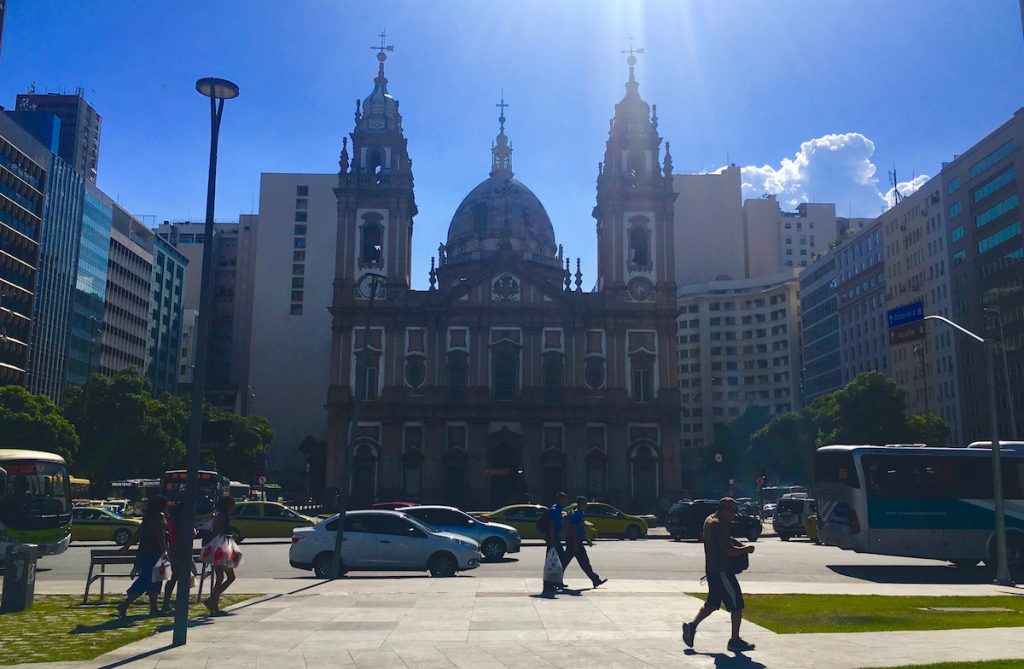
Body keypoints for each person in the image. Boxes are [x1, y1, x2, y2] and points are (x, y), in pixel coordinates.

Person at [682, 497, 757, 653]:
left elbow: (724, 541)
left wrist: (736, 544)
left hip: (712, 569)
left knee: (713, 603)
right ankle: (734, 641)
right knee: (736, 603)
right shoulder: (719, 525)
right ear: (724, 510)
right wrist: (746, 549)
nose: (732, 516)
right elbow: (729, 550)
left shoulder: (709, 520)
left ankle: (691, 626)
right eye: (731, 513)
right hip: (722, 570)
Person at [116, 494, 169, 618]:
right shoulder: (159, 517)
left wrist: (126, 546)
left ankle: (153, 608)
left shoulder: (148, 517)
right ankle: (125, 605)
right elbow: (159, 536)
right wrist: (165, 552)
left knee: (150, 580)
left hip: (145, 553)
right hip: (155, 553)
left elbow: (137, 534)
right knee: (149, 581)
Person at [203, 495, 238, 616]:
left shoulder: (219, 515)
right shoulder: (222, 516)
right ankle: (212, 602)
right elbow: (217, 532)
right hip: (220, 549)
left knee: (222, 577)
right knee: (226, 577)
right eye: (232, 504)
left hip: (219, 548)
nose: (234, 506)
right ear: (228, 505)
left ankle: (214, 606)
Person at [563, 496, 607, 588]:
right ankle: (595, 580)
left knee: (569, 562)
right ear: (580, 504)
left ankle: (595, 580)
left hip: (575, 542)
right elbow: (574, 530)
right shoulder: (577, 515)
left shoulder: (580, 513)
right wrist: (575, 545)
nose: (586, 505)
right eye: (585, 504)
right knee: (583, 563)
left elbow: (580, 530)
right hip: (575, 543)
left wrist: (587, 540)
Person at [161, 504, 197, 612]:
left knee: (176, 576)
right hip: (181, 550)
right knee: (186, 574)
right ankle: (178, 601)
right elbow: (190, 534)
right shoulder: (182, 520)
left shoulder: (174, 520)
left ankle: (169, 602)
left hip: (175, 549)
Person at [541, 492, 569, 596]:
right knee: (554, 560)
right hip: (552, 537)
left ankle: (556, 582)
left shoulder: (559, 509)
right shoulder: (555, 509)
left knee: (558, 559)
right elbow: (552, 526)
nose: (566, 501)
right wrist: (553, 541)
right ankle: (549, 583)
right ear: (560, 499)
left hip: (554, 537)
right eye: (565, 499)